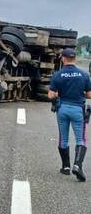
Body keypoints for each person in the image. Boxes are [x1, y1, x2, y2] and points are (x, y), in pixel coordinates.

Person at [49, 48, 91, 182]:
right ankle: (77, 165)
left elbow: (51, 95)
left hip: (63, 109)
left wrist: (57, 94)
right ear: (75, 59)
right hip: (78, 109)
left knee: (63, 138)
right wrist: (79, 94)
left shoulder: (58, 75)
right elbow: (89, 94)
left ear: (63, 59)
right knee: (81, 139)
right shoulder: (84, 75)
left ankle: (65, 167)